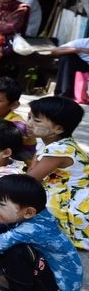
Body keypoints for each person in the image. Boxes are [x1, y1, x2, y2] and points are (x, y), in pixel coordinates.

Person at [25, 96, 89, 250]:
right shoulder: (60, 143)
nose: (29, 123)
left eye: (36, 121)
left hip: (70, 206)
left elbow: (30, 179)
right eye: (29, 117)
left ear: (58, 129)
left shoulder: (58, 150)